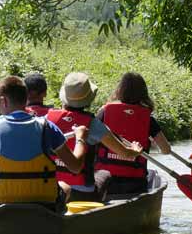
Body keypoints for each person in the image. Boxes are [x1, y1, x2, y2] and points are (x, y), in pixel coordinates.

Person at [0, 75, 88, 214]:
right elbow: (75, 167)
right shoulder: (48, 127)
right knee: (65, 187)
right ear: (25, 98)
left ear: (3, 100)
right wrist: (80, 138)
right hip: (42, 203)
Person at [46, 72, 144, 202]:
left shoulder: (46, 119)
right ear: (88, 100)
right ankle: (101, 205)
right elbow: (125, 153)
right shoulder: (93, 124)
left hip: (53, 190)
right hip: (82, 192)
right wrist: (135, 150)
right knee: (105, 173)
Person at [94, 72, 172, 199]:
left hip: (105, 182)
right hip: (135, 184)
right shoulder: (148, 119)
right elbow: (166, 150)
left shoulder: (104, 113)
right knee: (150, 177)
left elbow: (90, 139)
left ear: (119, 90)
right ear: (143, 93)